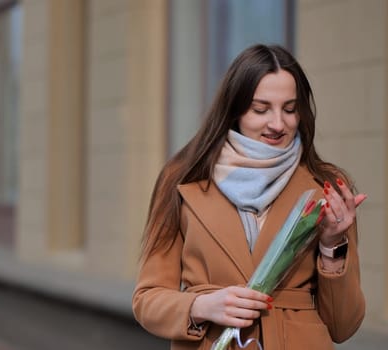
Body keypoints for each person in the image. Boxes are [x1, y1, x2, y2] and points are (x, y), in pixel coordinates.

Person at [132, 44, 367, 350]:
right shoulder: (182, 179)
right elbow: (147, 299)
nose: (278, 124)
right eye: (261, 109)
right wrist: (202, 306)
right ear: (235, 109)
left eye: (289, 108)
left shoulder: (326, 187)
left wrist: (332, 245)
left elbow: (344, 324)